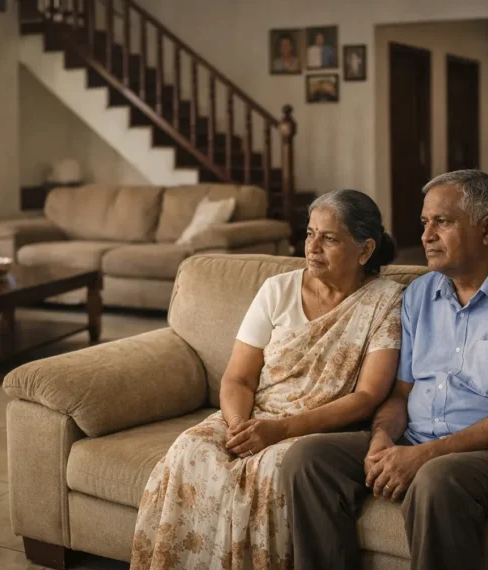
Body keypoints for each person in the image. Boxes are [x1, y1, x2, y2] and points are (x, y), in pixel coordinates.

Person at [281, 170, 488, 570]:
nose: (426, 235)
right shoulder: (420, 295)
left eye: (442, 222)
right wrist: (381, 439)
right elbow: (401, 395)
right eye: (425, 223)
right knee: (307, 458)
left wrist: (426, 455)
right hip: (420, 438)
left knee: (436, 478)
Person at [131, 190, 402, 569]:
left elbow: (368, 396)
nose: (313, 247)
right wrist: (240, 427)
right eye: (310, 234)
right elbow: (239, 377)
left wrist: (277, 431)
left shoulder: (386, 301)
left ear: (365, 249)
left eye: (329, 238)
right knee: (190, 450)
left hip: (318, 428)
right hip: (253, 414)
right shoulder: (278, 289)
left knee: (270, 470)